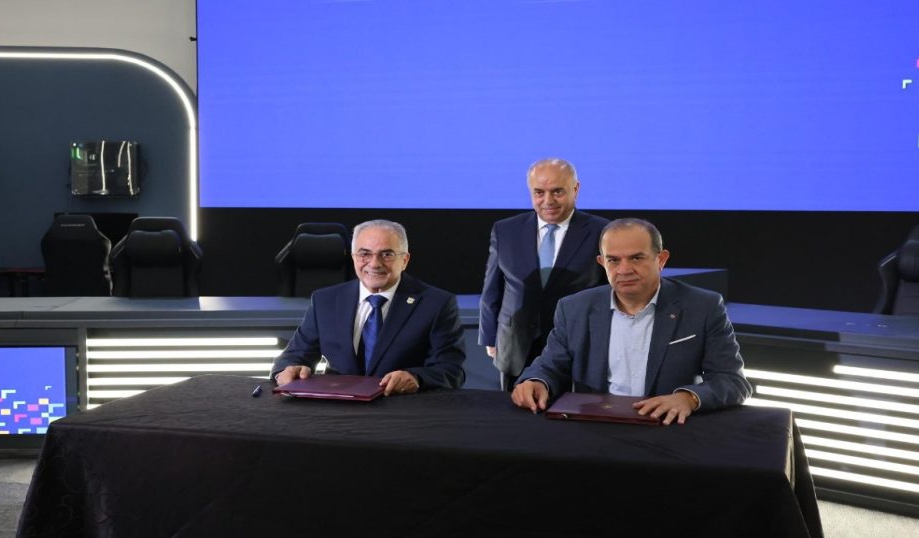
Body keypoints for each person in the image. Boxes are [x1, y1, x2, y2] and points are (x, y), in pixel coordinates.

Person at [512, 218, 751, 424]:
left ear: (661, 259)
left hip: (668, 428)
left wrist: (687, 398)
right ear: (602, 263)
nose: (624, 269)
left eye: (636, 258)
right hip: (595, 427)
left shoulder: (703, 307)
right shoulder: (574, 308)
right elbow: (550, 366)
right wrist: (536, 381)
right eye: (613, 260)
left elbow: (732, 381)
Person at [271, 219, 466, 395]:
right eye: (365, 254)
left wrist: (416, 378)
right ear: (354, 257)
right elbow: (295, 356)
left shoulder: (436, 303)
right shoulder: (325, 300)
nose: (374, 263)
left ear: (405, 260)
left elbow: (451, 370)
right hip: (337, 408)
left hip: (402, 408)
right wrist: (287, 370)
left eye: (387, 254)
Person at [479, 158, 609, 391]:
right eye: (539, 192)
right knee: (513, 410)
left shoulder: (602, 231)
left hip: (575, 345)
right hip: (516, 345)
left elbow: (608, 292)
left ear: (576, 189)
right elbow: (493, 288)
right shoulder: (506, 229)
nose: (548, 201)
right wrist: (489, 336)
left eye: (557, 191)